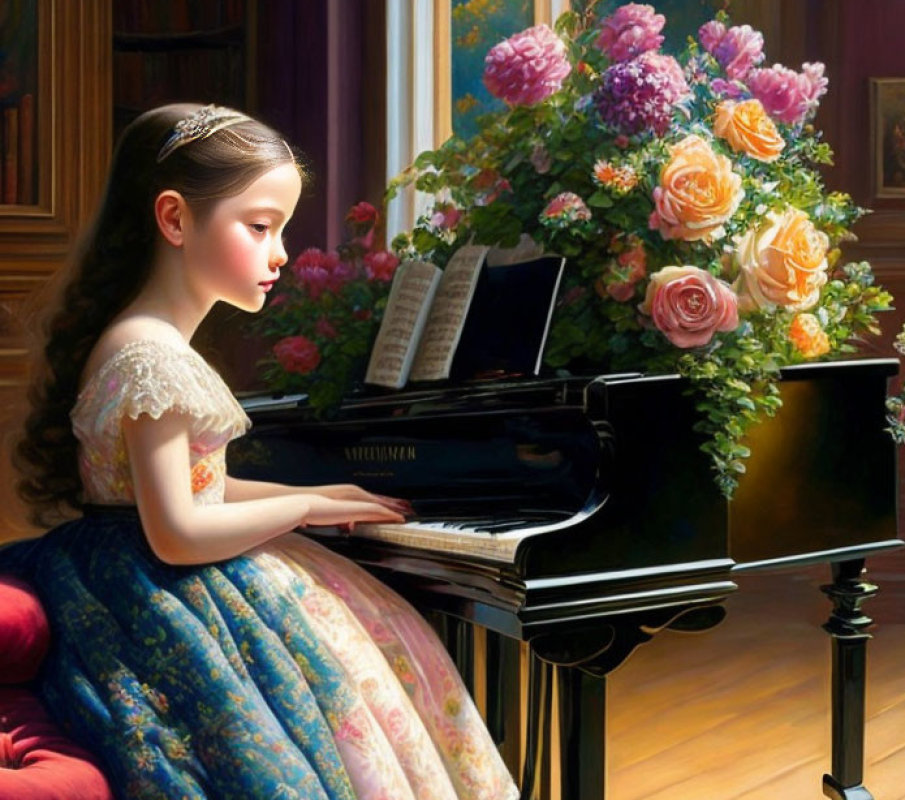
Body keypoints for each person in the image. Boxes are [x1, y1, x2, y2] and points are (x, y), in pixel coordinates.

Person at [0, 103, 519, 800]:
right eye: (259, 227)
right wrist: (303, 506)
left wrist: (317, 500)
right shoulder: (150, 355)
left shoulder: (145, 343)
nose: (278, 253)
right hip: (165, 592)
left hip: (117, 571)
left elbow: (193, 487)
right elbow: (177, 531)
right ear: (176, 220)